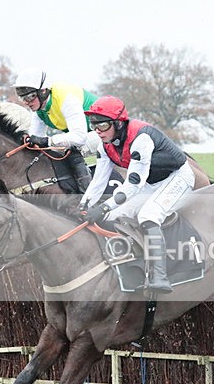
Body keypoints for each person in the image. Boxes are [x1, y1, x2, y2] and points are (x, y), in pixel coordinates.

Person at [80, 96, 195, 294]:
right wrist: (83, 206)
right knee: (113, 215)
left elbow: (133, 184)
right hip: (151, 183)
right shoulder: (104, 145)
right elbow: (98, 182)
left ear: (118, 123)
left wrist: (103, 207)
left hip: (177, 177)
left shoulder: (141, 139)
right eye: (94, 125)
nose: (97, 131)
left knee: (149, 215)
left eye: (103, 125)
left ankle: (160, 276)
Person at [13, 68, 96, 193]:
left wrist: (47, 141)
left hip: (106, 130)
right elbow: (35, 140)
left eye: (30, 97)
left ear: (43, 91)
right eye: (22, 98)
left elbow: (80, 137)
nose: (26, 102)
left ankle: (88, 197)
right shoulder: (39, 110)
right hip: (88, 133)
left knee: (71, 150)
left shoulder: (66, 98)